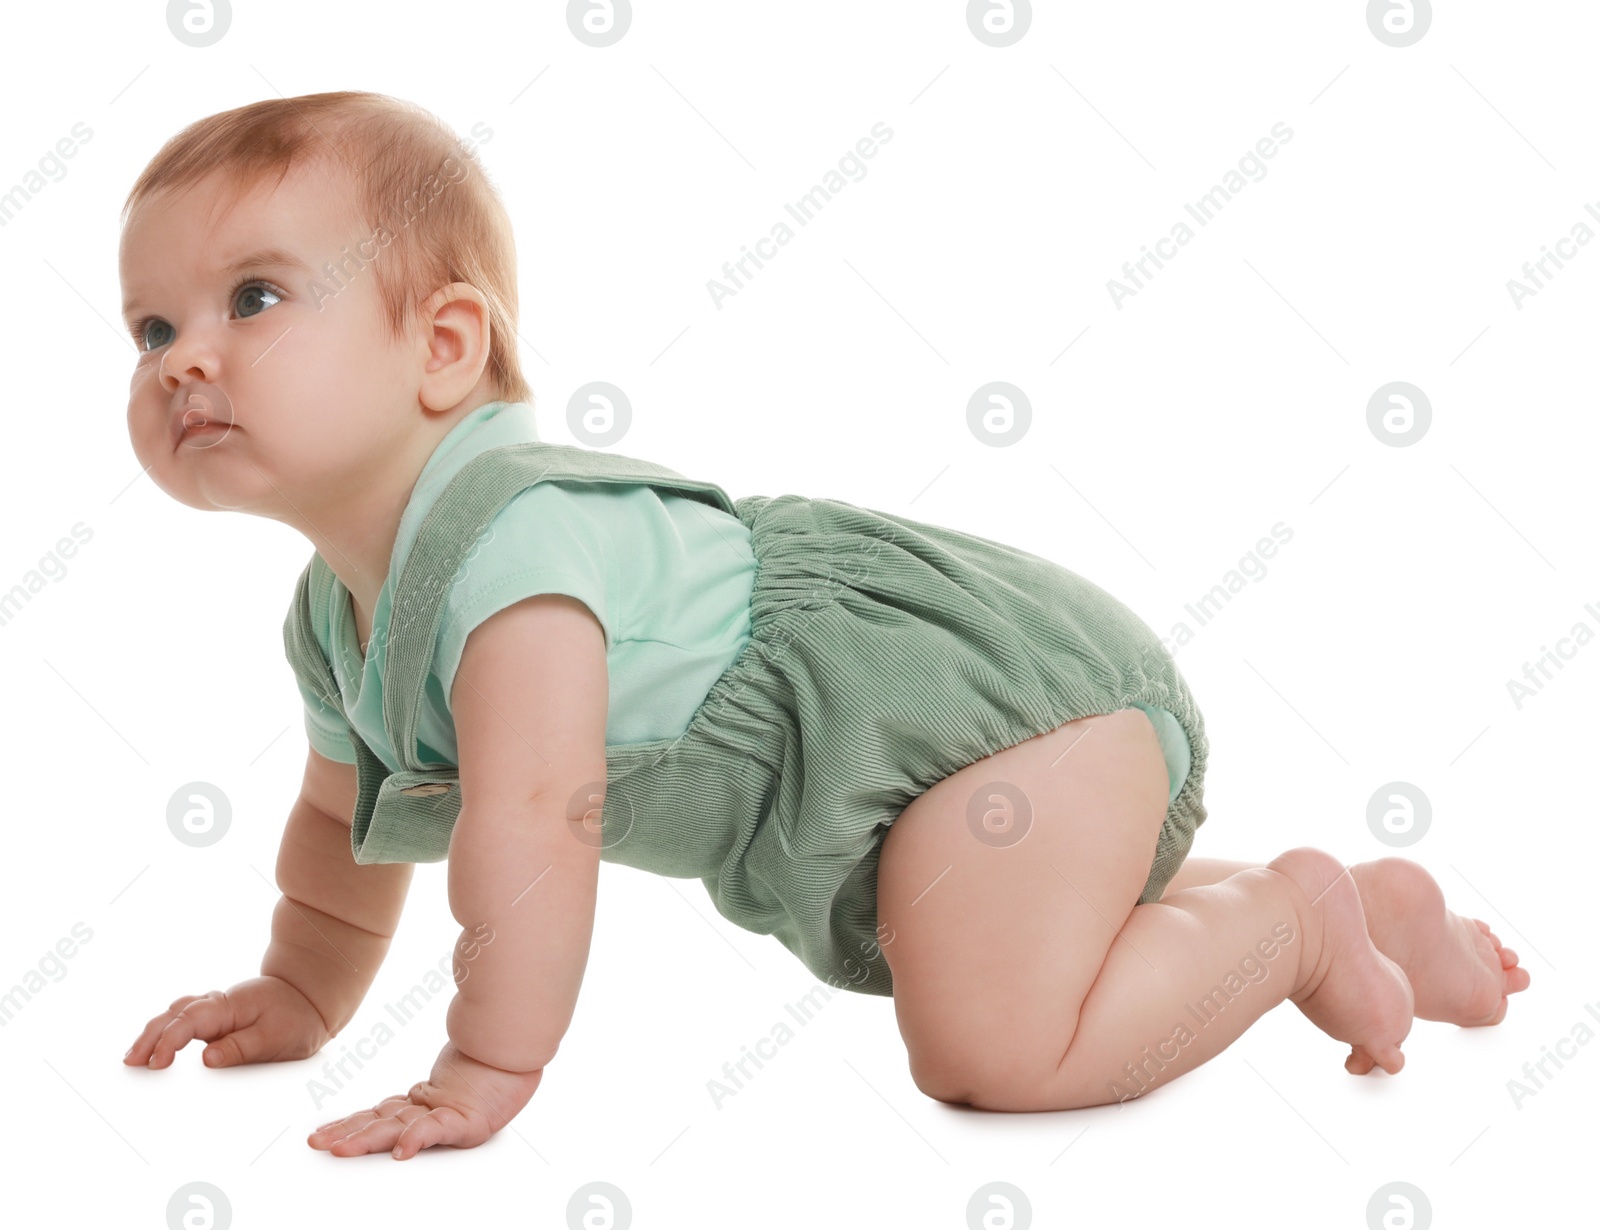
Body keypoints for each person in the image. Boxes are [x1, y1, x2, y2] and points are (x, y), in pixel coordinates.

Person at [117, 91, 1529, 1160]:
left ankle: (1288, 920)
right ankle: (1382, 911)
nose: (186, 358)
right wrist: (298, 992)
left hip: (995, 717)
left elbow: (533, 821)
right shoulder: (335, 619)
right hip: (942, 789)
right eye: (149, 327)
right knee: (1010, 936)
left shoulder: (519, 547)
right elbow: (338, 833)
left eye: (252, 298)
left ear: (444, 348)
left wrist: (486, 1067)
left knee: (992, 1049)